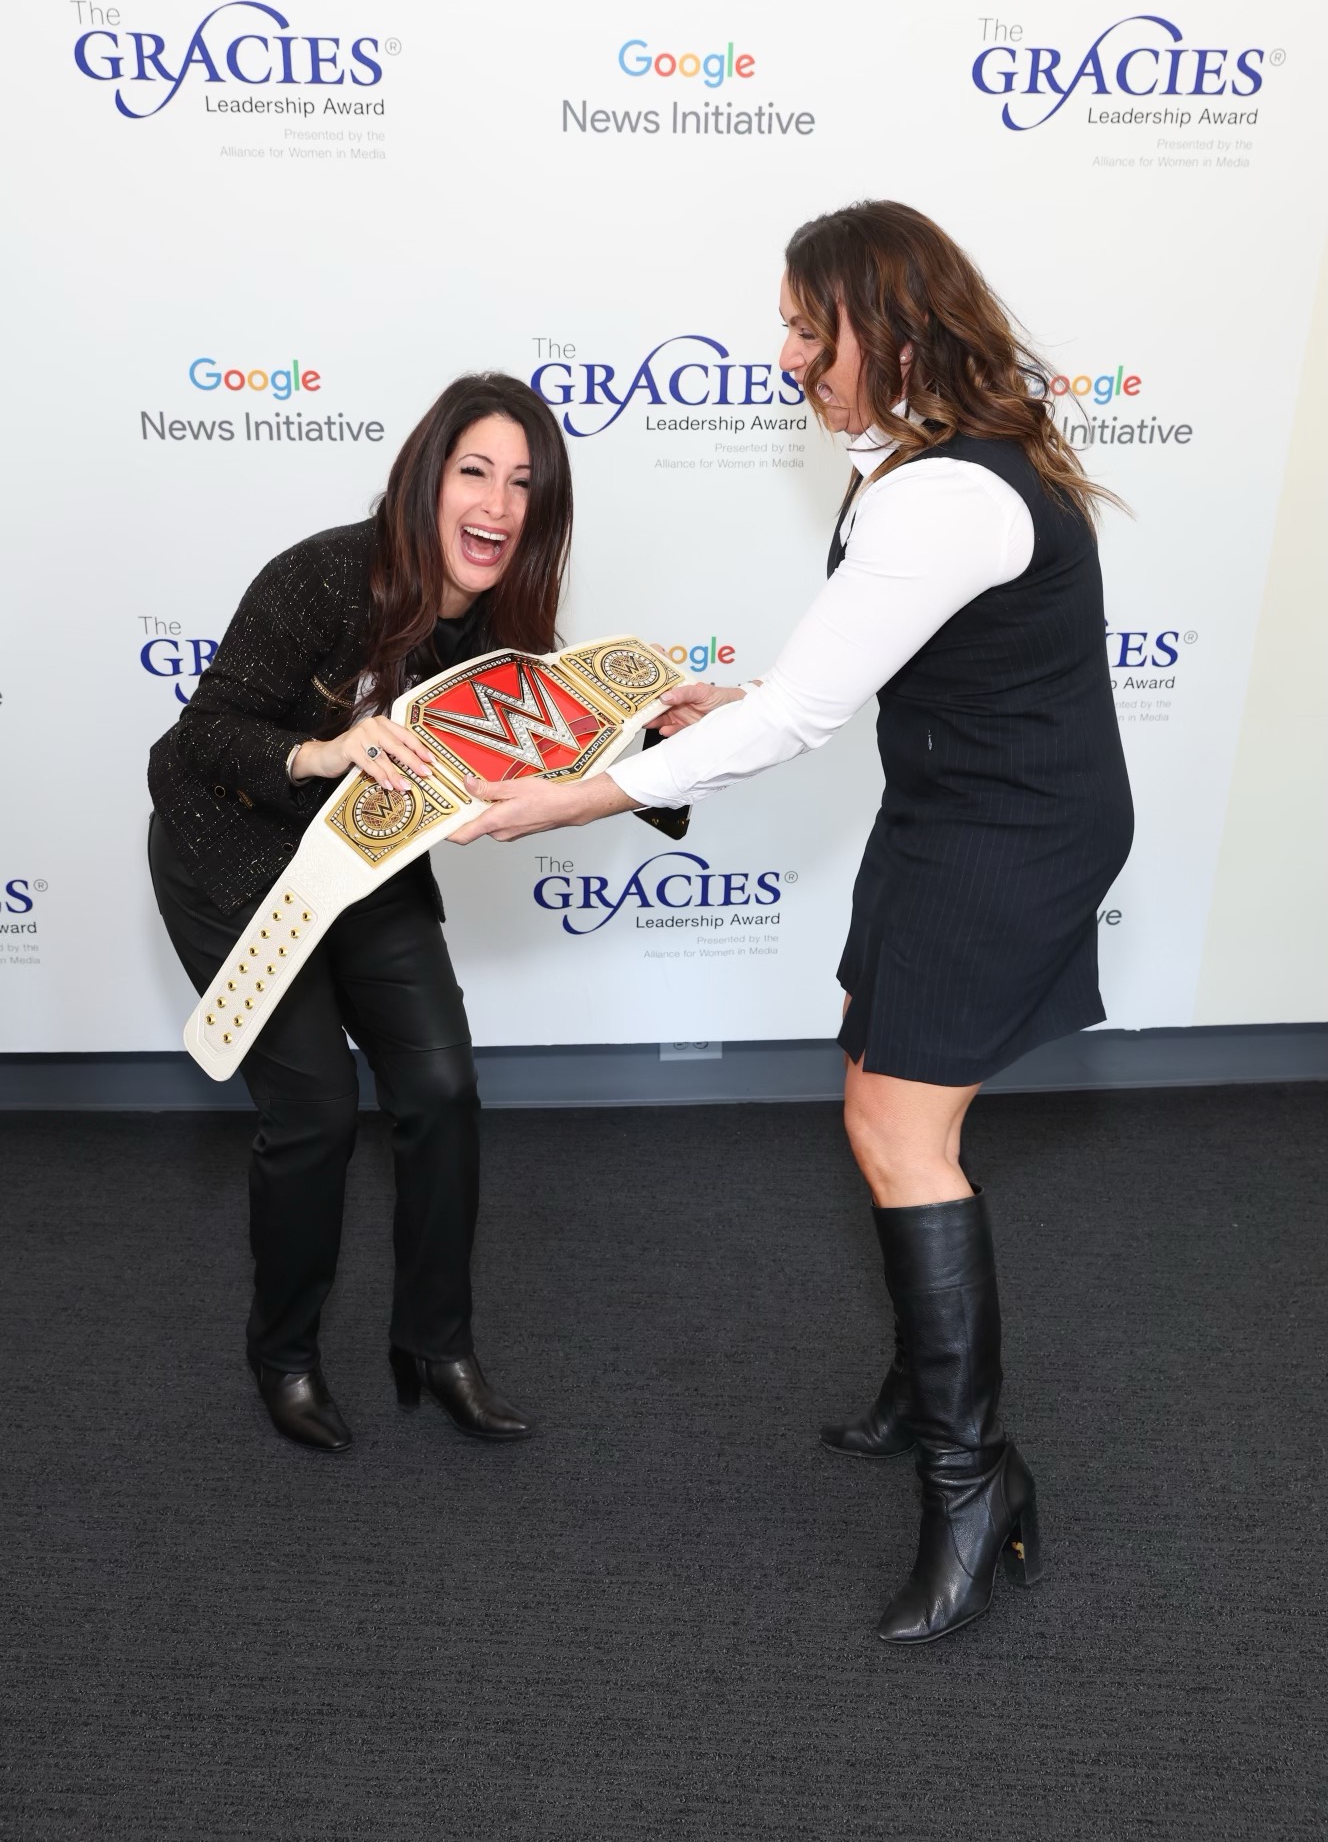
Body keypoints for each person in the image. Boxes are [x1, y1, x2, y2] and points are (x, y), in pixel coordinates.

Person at [450, 203, 1135, 1643]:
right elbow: (863, 667)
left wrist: (572, 797)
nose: (786, 358)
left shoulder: (941, 494)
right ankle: (926, 1390)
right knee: (869, 1079)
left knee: (899, 1132)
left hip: (1009, 835)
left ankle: (974, 1485)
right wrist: (739, 697)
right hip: (952, 806)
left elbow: (809, 718)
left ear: (893, 334)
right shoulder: (919, 464)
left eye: (810, 330)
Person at [148, 372, 574, 1453]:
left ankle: (436, 1346)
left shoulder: (508, 625)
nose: (497, 504)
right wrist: (322, 751)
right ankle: (284, 1356)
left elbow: (560, 748)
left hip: (366, 861)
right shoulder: (325, 575)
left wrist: (659, 745)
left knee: (441, 1087)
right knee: (317, 1110)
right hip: (233, 854)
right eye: (475, 471)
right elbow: (202, 738)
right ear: (428, 479)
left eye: (524, 483)